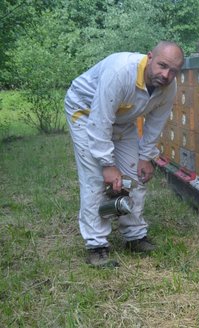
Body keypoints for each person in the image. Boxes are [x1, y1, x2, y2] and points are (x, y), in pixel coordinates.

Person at [64, 41, 184, 267]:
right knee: (96, 179)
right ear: (149, 57)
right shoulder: (120, 71)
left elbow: (155, 123)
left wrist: (145, 157)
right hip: (86, 111)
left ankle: (135, 236)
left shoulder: (169, 86)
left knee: (133, 177)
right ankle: (96, 245)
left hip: (122, 118)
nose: (166, 75)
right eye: (162, 65)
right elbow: (100, 119)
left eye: (174, 71)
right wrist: (107, 164)